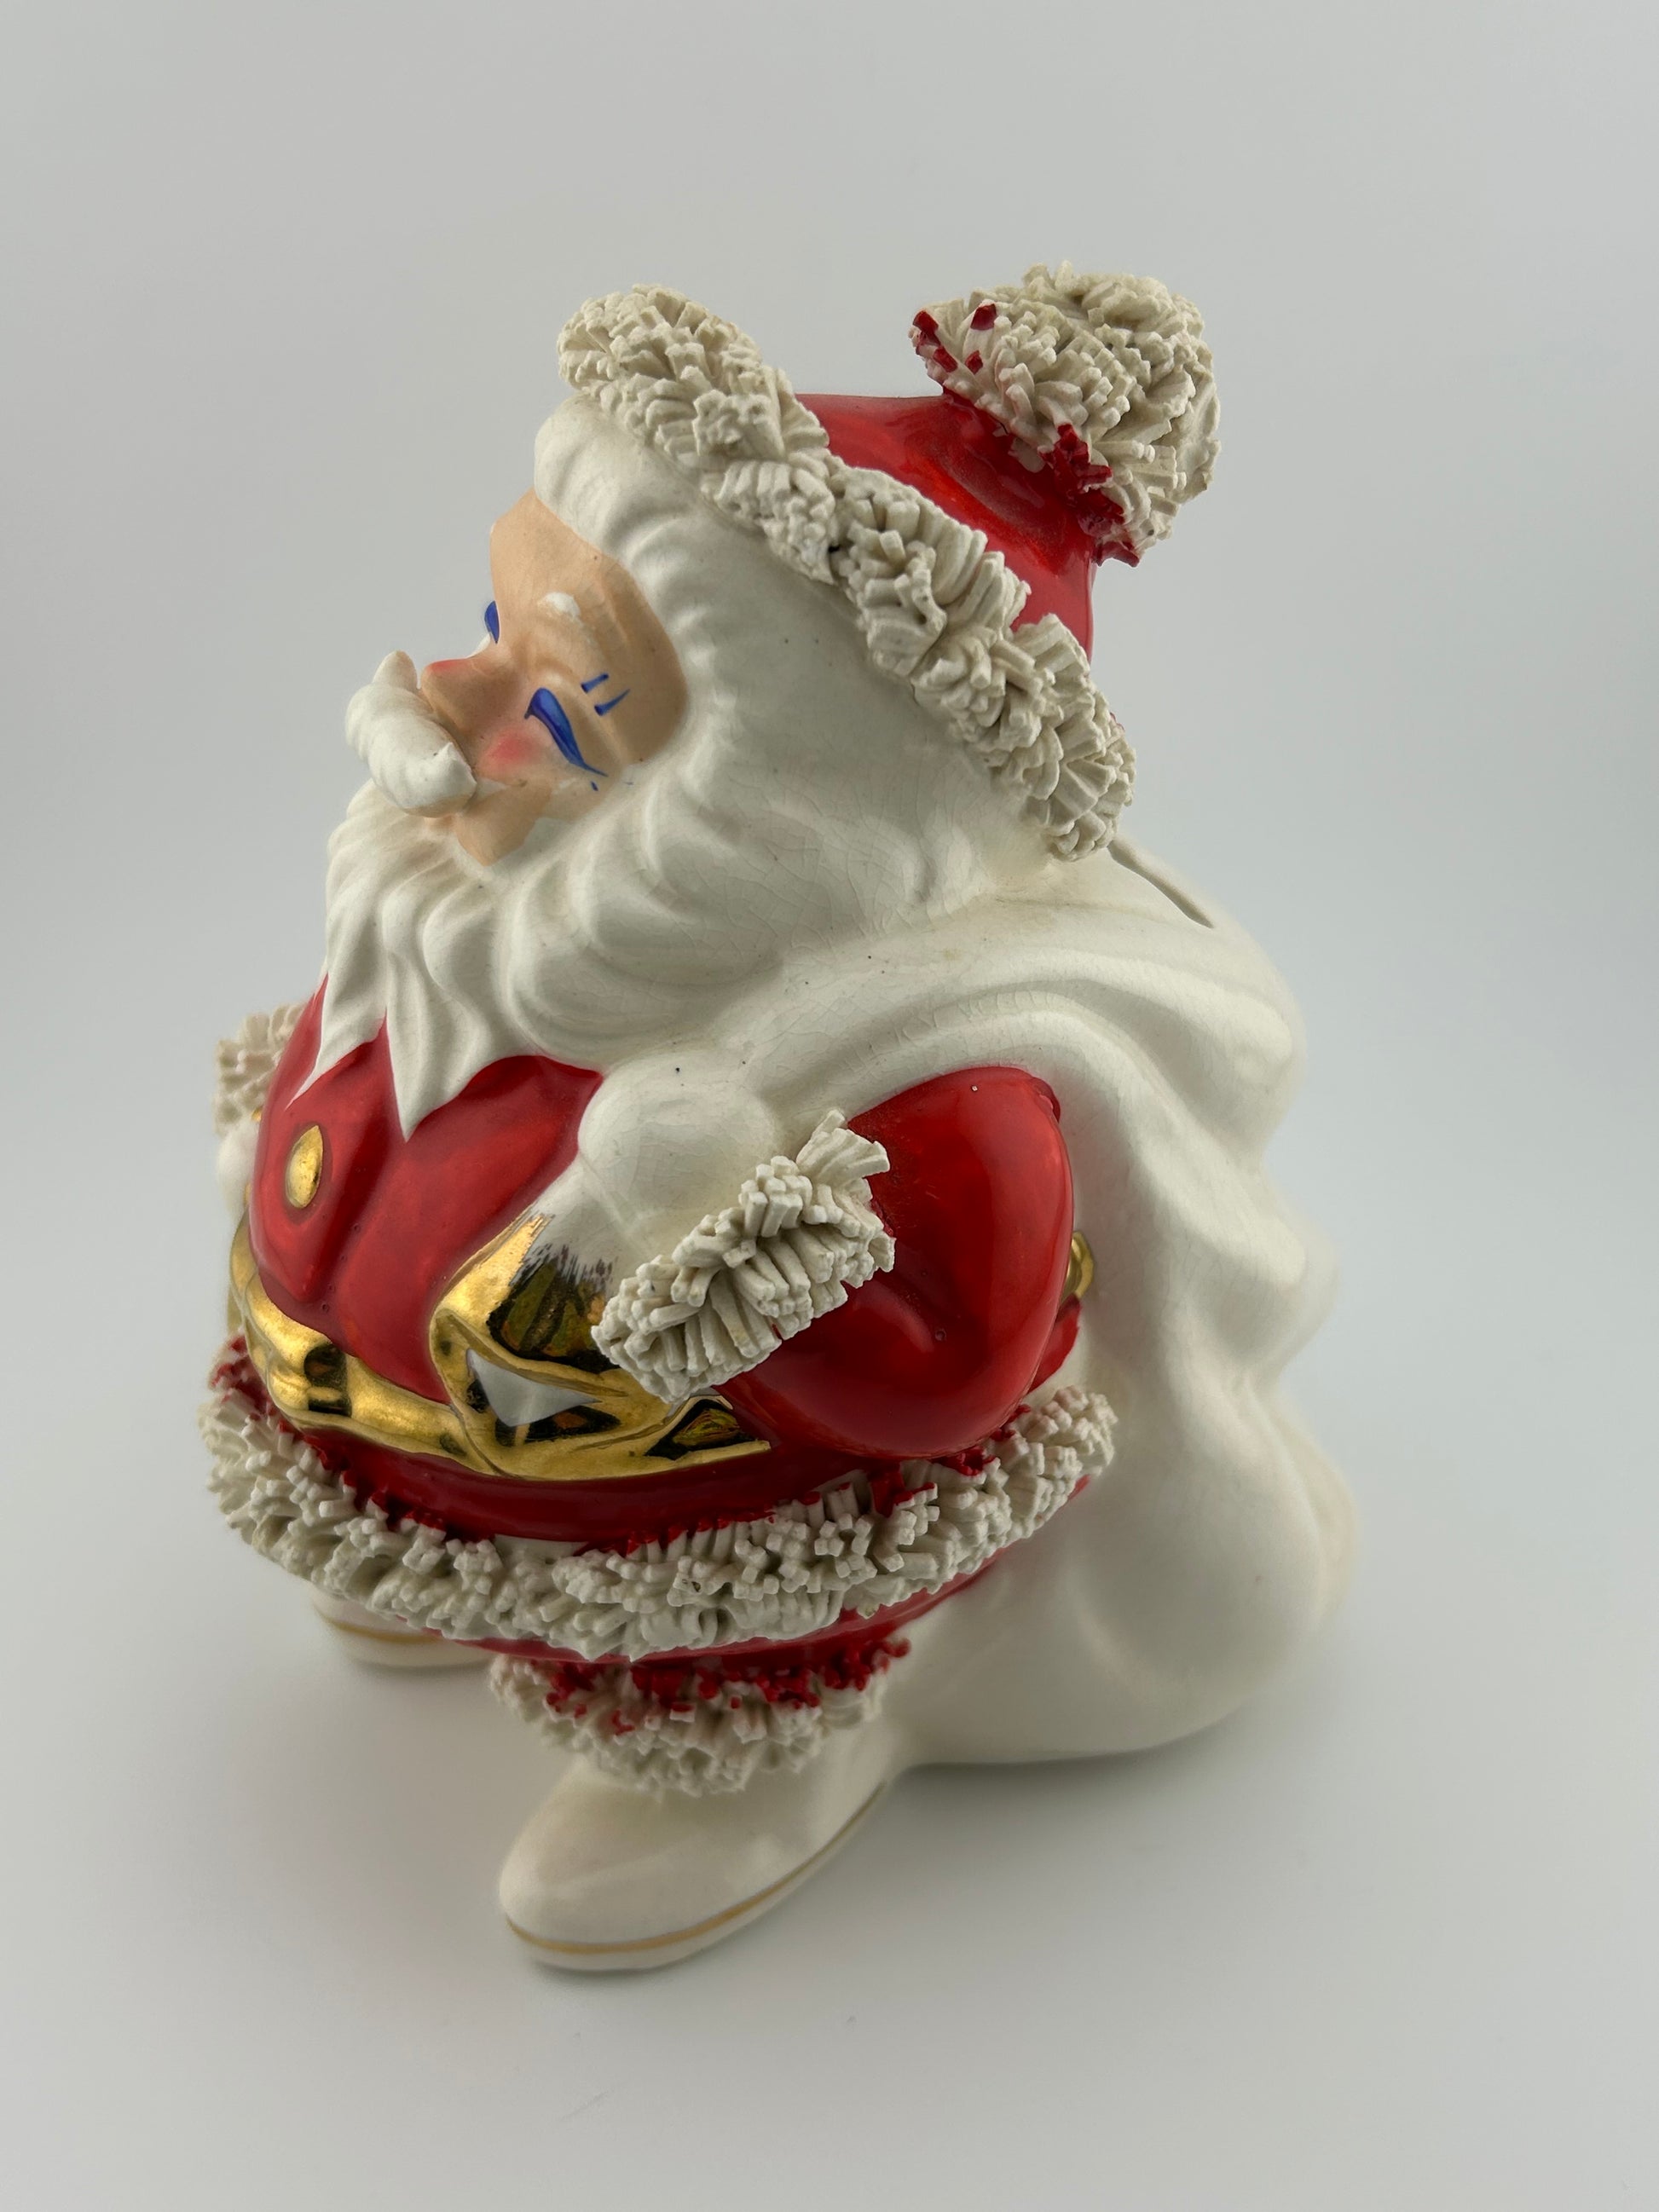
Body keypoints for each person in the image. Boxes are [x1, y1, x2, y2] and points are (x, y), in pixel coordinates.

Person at [204, 266, 1352, 1970]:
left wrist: (739, 1280)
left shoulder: (917, 1064)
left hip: (705, 1546)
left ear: (764, 815)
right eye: (495, 625)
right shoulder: (464, 942)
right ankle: (424, 1549)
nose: (454, 699)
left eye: (564, 704)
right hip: (421, 1433)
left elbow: (948, 1366)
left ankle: (744, 1761)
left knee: (722, 1660)